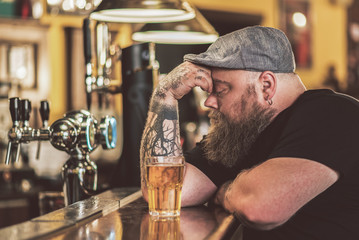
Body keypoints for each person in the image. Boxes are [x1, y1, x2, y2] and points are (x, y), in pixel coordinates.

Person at [139, 26, 359, 239]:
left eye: (222, 89)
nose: (209, 102)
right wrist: (164, 95)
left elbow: (262, 207)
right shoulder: (239, 135)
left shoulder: (334, 114)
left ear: (266, 85)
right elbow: (162, 192)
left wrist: (226, 191)